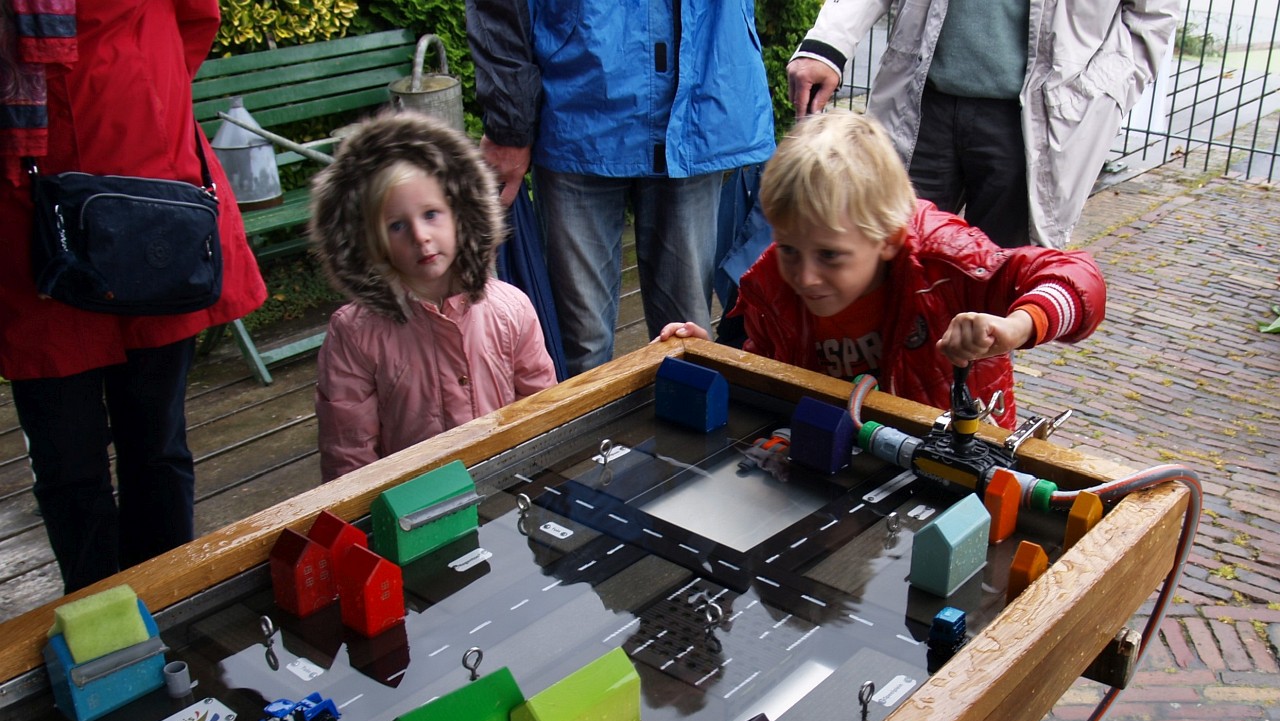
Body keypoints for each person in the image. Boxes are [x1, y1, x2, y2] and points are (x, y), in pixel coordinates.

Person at [0, 0, 268, 594]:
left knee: (151, 444)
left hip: (145, 206)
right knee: (76, 462)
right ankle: (104, 629)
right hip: (34, 223)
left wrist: (144, 108)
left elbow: (194, 23)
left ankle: (164, 607)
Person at [657, 111, 1106, 428]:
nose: (805, 276)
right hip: (838, 445)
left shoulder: (947, 259)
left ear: (888, 239)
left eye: (831, 255)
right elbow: (770, 371)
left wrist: (1017, 325)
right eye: (789, 248)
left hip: (950, 451)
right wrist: (718, 362)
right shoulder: (773, 283)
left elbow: (1079, 278)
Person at [466, 0, 776, 376]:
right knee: (580, 348)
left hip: (698, 97)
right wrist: (508, 123)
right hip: (577, 98)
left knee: (687, 344)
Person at [785, 0, 1181, 249]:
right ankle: (887, 383)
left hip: (1032, 126)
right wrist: (829, 42)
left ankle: (973, 386)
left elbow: (1150, 18)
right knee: (883, 259)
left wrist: (1096, 92)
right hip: (920, 107)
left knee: (993, 291)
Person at [310, 111, 557, 482]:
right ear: (371, 239)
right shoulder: (354, 334)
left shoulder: (510, 308)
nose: (420, 235)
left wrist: (544, 481)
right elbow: (349, 451)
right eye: (396, 225)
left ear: (461, 216)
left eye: (431, 215)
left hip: (509, 487)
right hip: (414, 507)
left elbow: (543, 409)